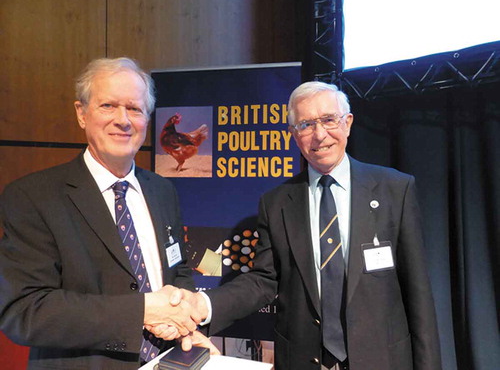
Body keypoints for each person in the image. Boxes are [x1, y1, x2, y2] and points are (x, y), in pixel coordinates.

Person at [152, 81, 442, 370]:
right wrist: (202, 306)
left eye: (329, 120)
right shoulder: (277, 203)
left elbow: (418, 294)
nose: (320, 135)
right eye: (306, 125)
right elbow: (263, 281)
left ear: (348, 123)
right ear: (293, 134)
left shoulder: (394, 190)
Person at [0, 57, 217, 370]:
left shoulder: (163, 191)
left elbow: (177, 269)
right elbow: (24, 311)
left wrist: (186, 327)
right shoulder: (33, 197)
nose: (123, 120)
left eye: (134, 108)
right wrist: (142, 311)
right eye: (108, 106)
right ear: (81, 114)